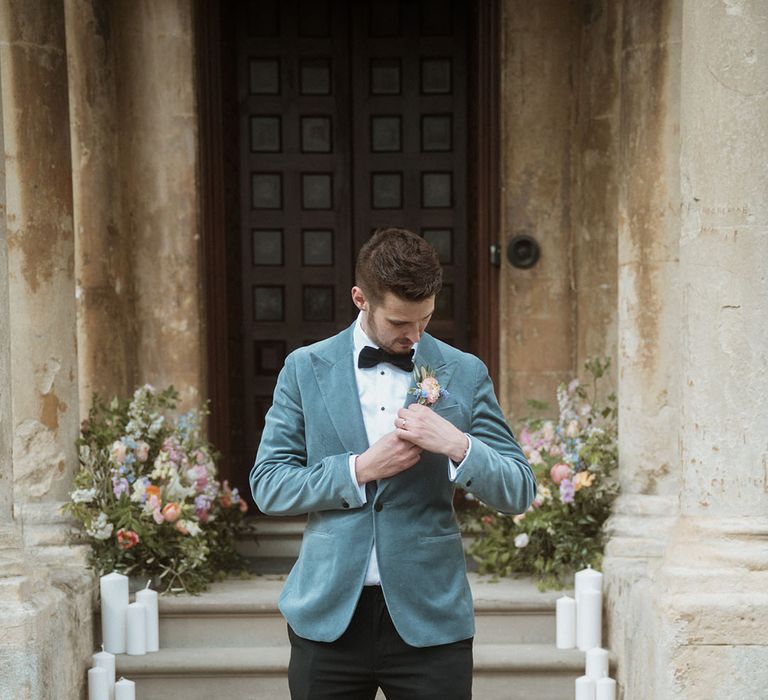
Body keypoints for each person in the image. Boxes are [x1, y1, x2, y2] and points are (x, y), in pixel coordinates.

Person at [250, 228, 536, 700]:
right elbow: (270, 485)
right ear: (360, 299)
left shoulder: (464, 372)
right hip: (329, 618)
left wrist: (458, 444)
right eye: (401, 322)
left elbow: (519, 489)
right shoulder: (304, 368)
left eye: (425, 318)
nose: (415, 335)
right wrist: (358, 468)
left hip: (431, 620)